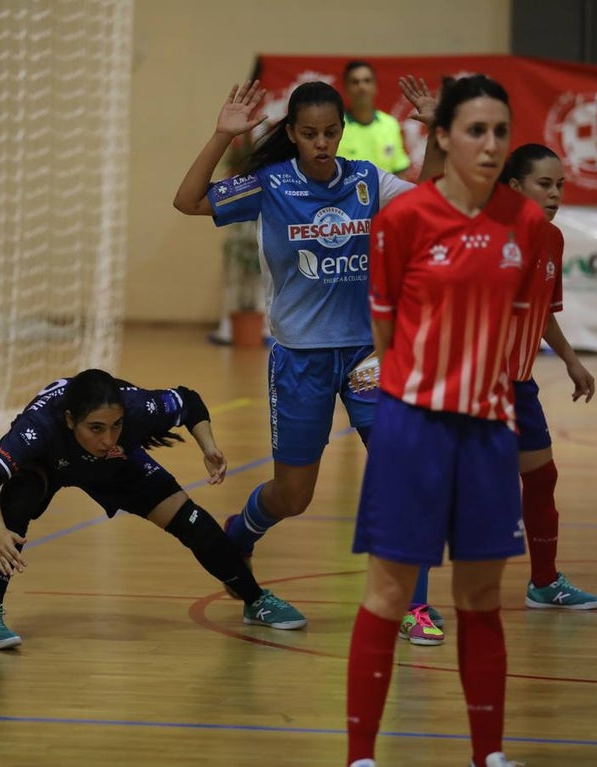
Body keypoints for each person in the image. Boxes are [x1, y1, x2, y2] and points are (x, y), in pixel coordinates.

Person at [173, 77, 448, 646]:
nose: (321, 143)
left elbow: (432, 195)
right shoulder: (270, 184)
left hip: (369, 354)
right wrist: (223, 136)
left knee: (404, 476)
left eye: (330, 133)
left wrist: (436, 133)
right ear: (293, 135)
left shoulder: (368, 181)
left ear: (343, 132)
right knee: (293, 496)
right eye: (309, 134)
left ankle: (415, 604)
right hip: (300, 358)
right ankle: (242, 530)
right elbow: (189, 200)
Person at [346, 74, 548, 767]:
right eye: (475, 131)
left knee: (482, 595)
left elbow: (515, 327)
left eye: (500, 132)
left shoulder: (528, 225)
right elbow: (384, 329)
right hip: (413, 431)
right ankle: (361, 757)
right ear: (440, 138)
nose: (491, 146)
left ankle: (488, 754)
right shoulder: (403, 221)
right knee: (390, 591)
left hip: (490, 433)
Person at [0, 369, 306, 649]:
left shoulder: (136, 408)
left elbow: (189, 400)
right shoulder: (39, 426)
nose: (108, 438)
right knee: (12, 505)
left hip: (114, 467)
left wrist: (209, 447)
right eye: (96, 428)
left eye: (116, 426)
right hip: (47, 464)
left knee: (194, 523)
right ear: (70, 420)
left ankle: (255, 600)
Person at [500, 143, 597, 610]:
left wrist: (571, 360)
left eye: (560, 185)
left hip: (519, 384)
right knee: (450, 487)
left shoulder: (552, 239)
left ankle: (544, 582)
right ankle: (410, 598)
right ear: (515, 187)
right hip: (475, 385)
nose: (555, 194)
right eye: (545, 184)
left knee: (542, 478)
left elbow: (542, 314)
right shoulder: (488, 237)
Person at [337, 61, 410, 176]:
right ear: (346, 88)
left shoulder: (390, 124)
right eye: (355, 82)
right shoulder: (336, 126)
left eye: (367, 81)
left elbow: (400, 171)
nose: (361, 87)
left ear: (375, 86)